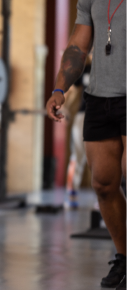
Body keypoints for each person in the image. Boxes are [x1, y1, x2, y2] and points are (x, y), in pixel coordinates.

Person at [45, 0, 127, 290]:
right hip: (100, 98)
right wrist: (59, 89)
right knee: (104, 184)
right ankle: (124, 256)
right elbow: (78, 46)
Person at [64, 58, 91, 208]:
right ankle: (72, 194)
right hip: (83, 116)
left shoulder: (114, 68)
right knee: (78, 156)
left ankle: (104, 199)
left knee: (105, 158)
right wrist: (65, 107)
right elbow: (73, 91)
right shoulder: (85, 70)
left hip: (106, 117)